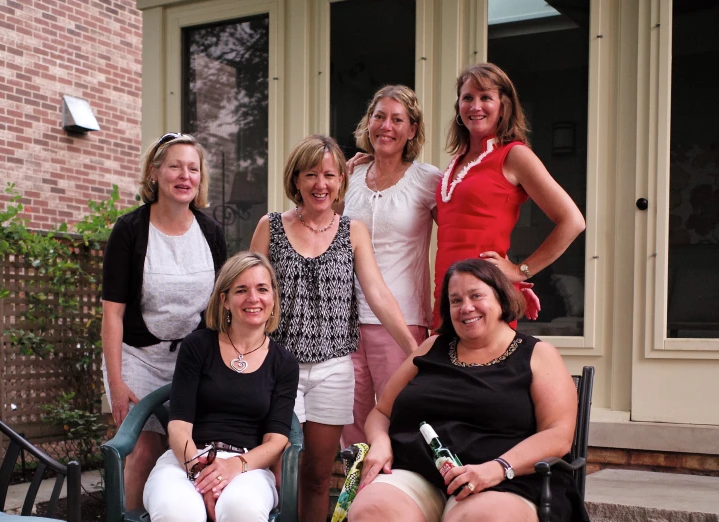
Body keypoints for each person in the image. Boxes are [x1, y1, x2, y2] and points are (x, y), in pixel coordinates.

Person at [250, 134, 421, 522]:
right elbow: (247, 294)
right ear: (295, 180)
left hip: (333, 369)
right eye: (311, 174)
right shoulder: (270, 226)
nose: (320, 184)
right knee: (279, 472)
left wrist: (413, 348)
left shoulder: (352, 231)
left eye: (329, 175)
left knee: (317, 477)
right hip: (278, 368)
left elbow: (377, 293)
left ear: (341, 181)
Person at [348, 258, 589, 522]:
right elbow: (382, 411)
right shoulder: (432, 347)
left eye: (476, 296)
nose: (466, 308)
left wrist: (497, 468)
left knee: (481, 519)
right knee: (372, 512)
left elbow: (558, 435)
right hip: (417, 470)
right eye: (455, 300)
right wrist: (380, 443)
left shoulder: (538, 355)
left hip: (504, 476)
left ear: (501, 299)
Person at [101, 132, 227, 510]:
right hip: (137, 360)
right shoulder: (129, 230)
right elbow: (113, 313)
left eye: (193, 168)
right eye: (175, 166)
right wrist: (117, 382)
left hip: (192, 364)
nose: (184, 175)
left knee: (185, 456)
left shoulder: (211, 232)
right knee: (143, 452)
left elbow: (220, 310)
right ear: (155, 172)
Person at [143, 251, 299, 522]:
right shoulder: (197, 346)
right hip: (188, 458)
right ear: (224, 300)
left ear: (273, 298)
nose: (253, 298)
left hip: (247, 467)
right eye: (241, 290)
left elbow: (276, 442)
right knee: (176, 511)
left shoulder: (284, 362)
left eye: (262, 289)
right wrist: (201, 473)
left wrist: (232, 467)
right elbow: (178, 427)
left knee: (243, 510)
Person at [433, 62, 585, 327]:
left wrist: (519, 271)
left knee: (481, 368)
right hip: (447, 295)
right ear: (458, 106)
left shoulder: (514, 155)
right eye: (467, 98)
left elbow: (573, 221)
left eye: (485, 98)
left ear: (503, 106)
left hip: (484, 298)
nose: (475, 106)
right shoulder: (457, 162)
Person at [338, 85, 440, 448]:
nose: (386, 126)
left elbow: (460, 234)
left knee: (395, 419)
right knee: (350, 427)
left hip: (400, 321)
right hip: (345, 322)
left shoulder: (428, 179)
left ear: (412, 129)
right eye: (379, 116)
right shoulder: (348, 177)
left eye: (398, 119)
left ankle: (391, 500)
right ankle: (355, 502)